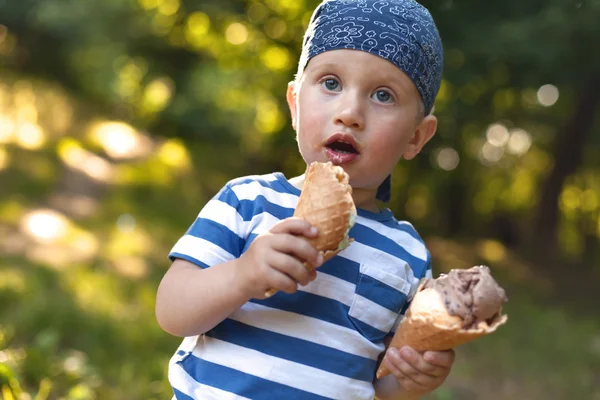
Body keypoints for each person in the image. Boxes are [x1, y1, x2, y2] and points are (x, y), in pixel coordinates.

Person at [156, 0, 455, 399]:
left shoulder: (409, 256)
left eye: (383, 95)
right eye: (331, 83)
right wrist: (243, 275)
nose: (350, 113)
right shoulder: (247, 201)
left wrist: (414, 378)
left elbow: (377, 386)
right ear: (295, 104)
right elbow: (172, 311)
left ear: (417, 136)